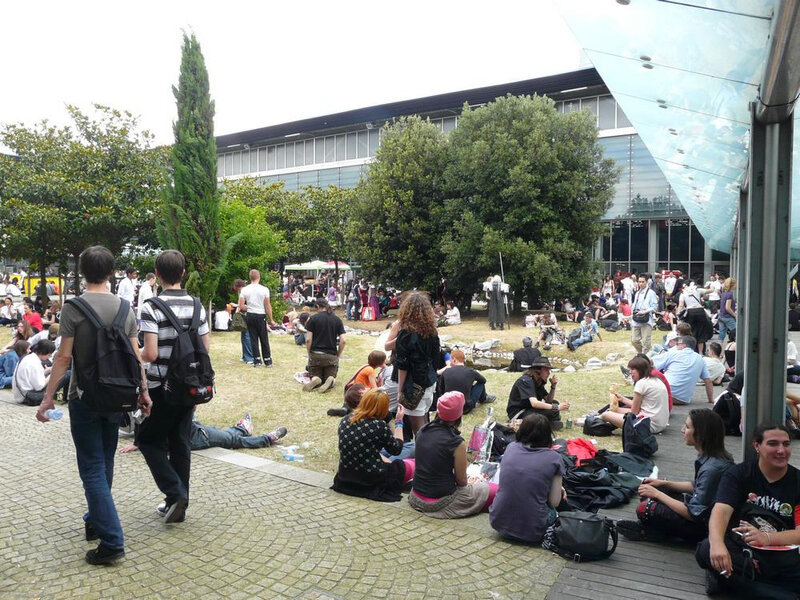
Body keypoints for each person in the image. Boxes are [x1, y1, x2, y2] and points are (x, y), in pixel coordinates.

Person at [36, 245, 151, 566]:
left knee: (91, 468)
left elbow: (62, 358)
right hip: (117, 398)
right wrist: (144, 392)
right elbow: (136, 356)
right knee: (105, 462)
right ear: (112, 272)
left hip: (84, 398)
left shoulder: (74, 308)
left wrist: (47, 398)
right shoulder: (125, 308)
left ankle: (112, 540)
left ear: (82, 273)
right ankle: (95, 520)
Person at [138, 250, 209, 525]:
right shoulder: (197, 305)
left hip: (160, 386)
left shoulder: (151, 306)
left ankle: (174, 492)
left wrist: (137, 351)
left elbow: (152, 354)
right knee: (180, 441)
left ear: (157, 275)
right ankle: (178, 503)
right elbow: (205, 348)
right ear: (182, 273)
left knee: (148, 440)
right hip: (190, 385)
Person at [697, 423, 800, 597]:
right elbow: (721, 511)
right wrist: (718, 545)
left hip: (782, 555)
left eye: (786, 444)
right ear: (757, 446)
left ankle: (728, 580)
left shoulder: (797, 482)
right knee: (706, 549)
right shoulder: (738, 474)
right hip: (744, 550)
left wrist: (767, 538)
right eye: (773, 444)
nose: (781, 450)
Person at [616, 408, 733, 543]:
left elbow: (693, 514)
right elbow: (696, 486)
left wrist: (657, 494)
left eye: (687, 427)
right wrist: (664, 484)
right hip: (706, 513)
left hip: (704, 527)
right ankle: (657, 528)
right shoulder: (713, 457)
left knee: (646, 509)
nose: (682, 430)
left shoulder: (712, 469)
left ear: (701, 435)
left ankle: (651, 532)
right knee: (656, 488)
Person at [409, 391, 496, 518]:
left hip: (416, 495)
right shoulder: (456, 443)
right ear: (459, 415)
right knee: (489, 489)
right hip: (441, 501)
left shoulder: (422, 431)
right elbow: (462, 482)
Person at [489, 413, 565, 542]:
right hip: (534, 530)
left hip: (498, 522)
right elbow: (554, 502)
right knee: (554, 512)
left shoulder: (511, 447)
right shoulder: (554, 458)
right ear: (548, 434)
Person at [331, 389, 411, 502]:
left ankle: (386, 460)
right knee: (411, 450)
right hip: (370, 478)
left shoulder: (345, 419)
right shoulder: (379, 425)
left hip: (345, 475)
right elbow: (397, 449)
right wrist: (399, 422)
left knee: (403, 448)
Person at [385, 292, 440, 435]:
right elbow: (436, 356)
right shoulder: (432, 332)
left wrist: (400, 391)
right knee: (425, 418)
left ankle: (424, 454)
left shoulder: (406, 334)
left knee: (418, 428)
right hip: (429, 380)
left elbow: (403, 365)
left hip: (413, 384)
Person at [120, 414, 288, 453]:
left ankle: (242, 428)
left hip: (192, 430)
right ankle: (267, 438)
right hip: (194, 436)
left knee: (224, 435)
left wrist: (137, 444)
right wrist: (138, 444)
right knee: (233, 441)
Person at [602, 355, 669, 433]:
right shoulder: (656, 380)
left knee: (606, 415)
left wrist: (613, 414)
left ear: (640, 370)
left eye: (633, 369)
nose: (630, 372)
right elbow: (639, 406)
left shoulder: (641, 383)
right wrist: (622, 399)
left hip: (648, 426)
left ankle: (597, 418)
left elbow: (633, 413)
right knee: (615, 410)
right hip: (661, 424)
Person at [506, 356, 569, 430]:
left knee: (554, 403)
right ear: (538, 370)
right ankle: (547, 423)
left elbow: (549, 400)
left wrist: (553, 387)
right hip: (518, 413)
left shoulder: (537, 381)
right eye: (546, 370)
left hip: (529, 410)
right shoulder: (526, 381)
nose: (549, 373)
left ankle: (549, 422)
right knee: (552, 409)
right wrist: (557, 408)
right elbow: (534, 403)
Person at [653, 336, 714, 405]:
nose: (676, 346)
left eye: (677, 344)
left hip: (665, 393)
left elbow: (650, 363)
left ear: (683, 345)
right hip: (683, 399)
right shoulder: (700, 359)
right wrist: (711, 400)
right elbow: (708, 381)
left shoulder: (674, 354)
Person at [302, 298, 346, 393]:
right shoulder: (337, 319)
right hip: (331, 355)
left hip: (316, 354)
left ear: (318, 306)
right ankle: (330, 380)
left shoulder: (313, 319)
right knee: (331, 376)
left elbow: (308, 340)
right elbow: (343, 341)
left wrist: (309, 353)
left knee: (315, 375)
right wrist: (338, 354)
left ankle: (315, 380)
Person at [238, 269, 276, 367]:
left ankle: (257, 360)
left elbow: (241, 306)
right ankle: (268, 360)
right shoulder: (264, 289)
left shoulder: (245, 290)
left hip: (250, 315)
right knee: (264, 338)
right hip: (261, 315)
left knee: (253, 338)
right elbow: (268, 306)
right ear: (259, 277)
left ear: (250, 278)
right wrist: (271, 319)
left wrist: (250, 307)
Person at [440, 349, 494, 415]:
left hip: (449, 406)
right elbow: (483, 380)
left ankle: (483, 398)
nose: (450, 361)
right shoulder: (470, 372)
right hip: (465, 408)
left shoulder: (446, 371)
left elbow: (442, 390)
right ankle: (483, 399)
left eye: (450, 359)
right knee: (481, 384)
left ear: (454, 360)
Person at [12, 339, 56, 405]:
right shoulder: (35, 363)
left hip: (20, 394)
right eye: (49, 355)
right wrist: (52, 375)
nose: (48, 357)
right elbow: (39, 386)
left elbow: (32, 376)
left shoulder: (29, 358)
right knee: (64, 376)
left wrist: (47, 371)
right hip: (27, 397)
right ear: (43, 352)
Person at [631, 275, 658, 354]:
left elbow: (655, 307)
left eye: (643, 282)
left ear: (647, 282)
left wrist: (645, 311)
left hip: (646, 319)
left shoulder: (651, 293)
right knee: (634, 340)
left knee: (646, 341)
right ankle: (641, 354)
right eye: (639, 282)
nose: (641, 284)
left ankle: (645, 358)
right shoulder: (637, 293)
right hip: (637, 318)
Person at [232, 279, 253, 363]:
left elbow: (249, 305)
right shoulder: (243, 292)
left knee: (247, 336)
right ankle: (245, 356)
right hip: (244, 315)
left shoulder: (245, 292)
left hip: (248, 315)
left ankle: (250, 358)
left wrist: (237, 306)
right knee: (244, 336)